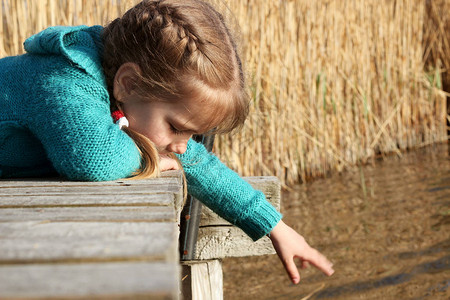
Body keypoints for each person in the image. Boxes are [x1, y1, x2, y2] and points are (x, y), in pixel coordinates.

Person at [0, 0, 334, 284]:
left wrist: (274, 226)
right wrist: (151, 160)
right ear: (128, 83)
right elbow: (93, 160)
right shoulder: (66, 80)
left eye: (192, 134)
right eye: (176, 127)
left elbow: (197, 163)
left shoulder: (133, 98)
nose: (182, 145)